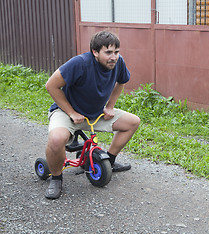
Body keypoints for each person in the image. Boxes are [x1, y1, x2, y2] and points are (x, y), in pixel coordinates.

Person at [44, 31, 140, 199]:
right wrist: (71, 112)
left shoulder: (118, 63)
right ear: (95, 52)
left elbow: (121, 81)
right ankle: (56, 178)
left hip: (95, 114)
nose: (114, 57)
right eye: (108, 52)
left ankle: (109, 161)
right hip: (67, 113)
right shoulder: (79, 63)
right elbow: (51, 85)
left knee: (132, 122)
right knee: (56, 139)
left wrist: (110, 106)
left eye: (116, 52)